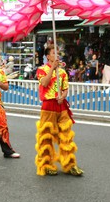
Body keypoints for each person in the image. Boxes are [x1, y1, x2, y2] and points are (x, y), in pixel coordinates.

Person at [34, 46, 83, 176]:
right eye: (53, 53)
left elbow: (65, 87)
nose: (57, 55)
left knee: (66, 137)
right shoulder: (41, 70)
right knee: (46, 137)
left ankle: (69, 164)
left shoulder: (62, 72)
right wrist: (52, 69)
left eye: (58, 53)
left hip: (61, 106)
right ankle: (46, 165)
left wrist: (63, 96)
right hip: (48, 106)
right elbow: (44, 83)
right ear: (48, 57)